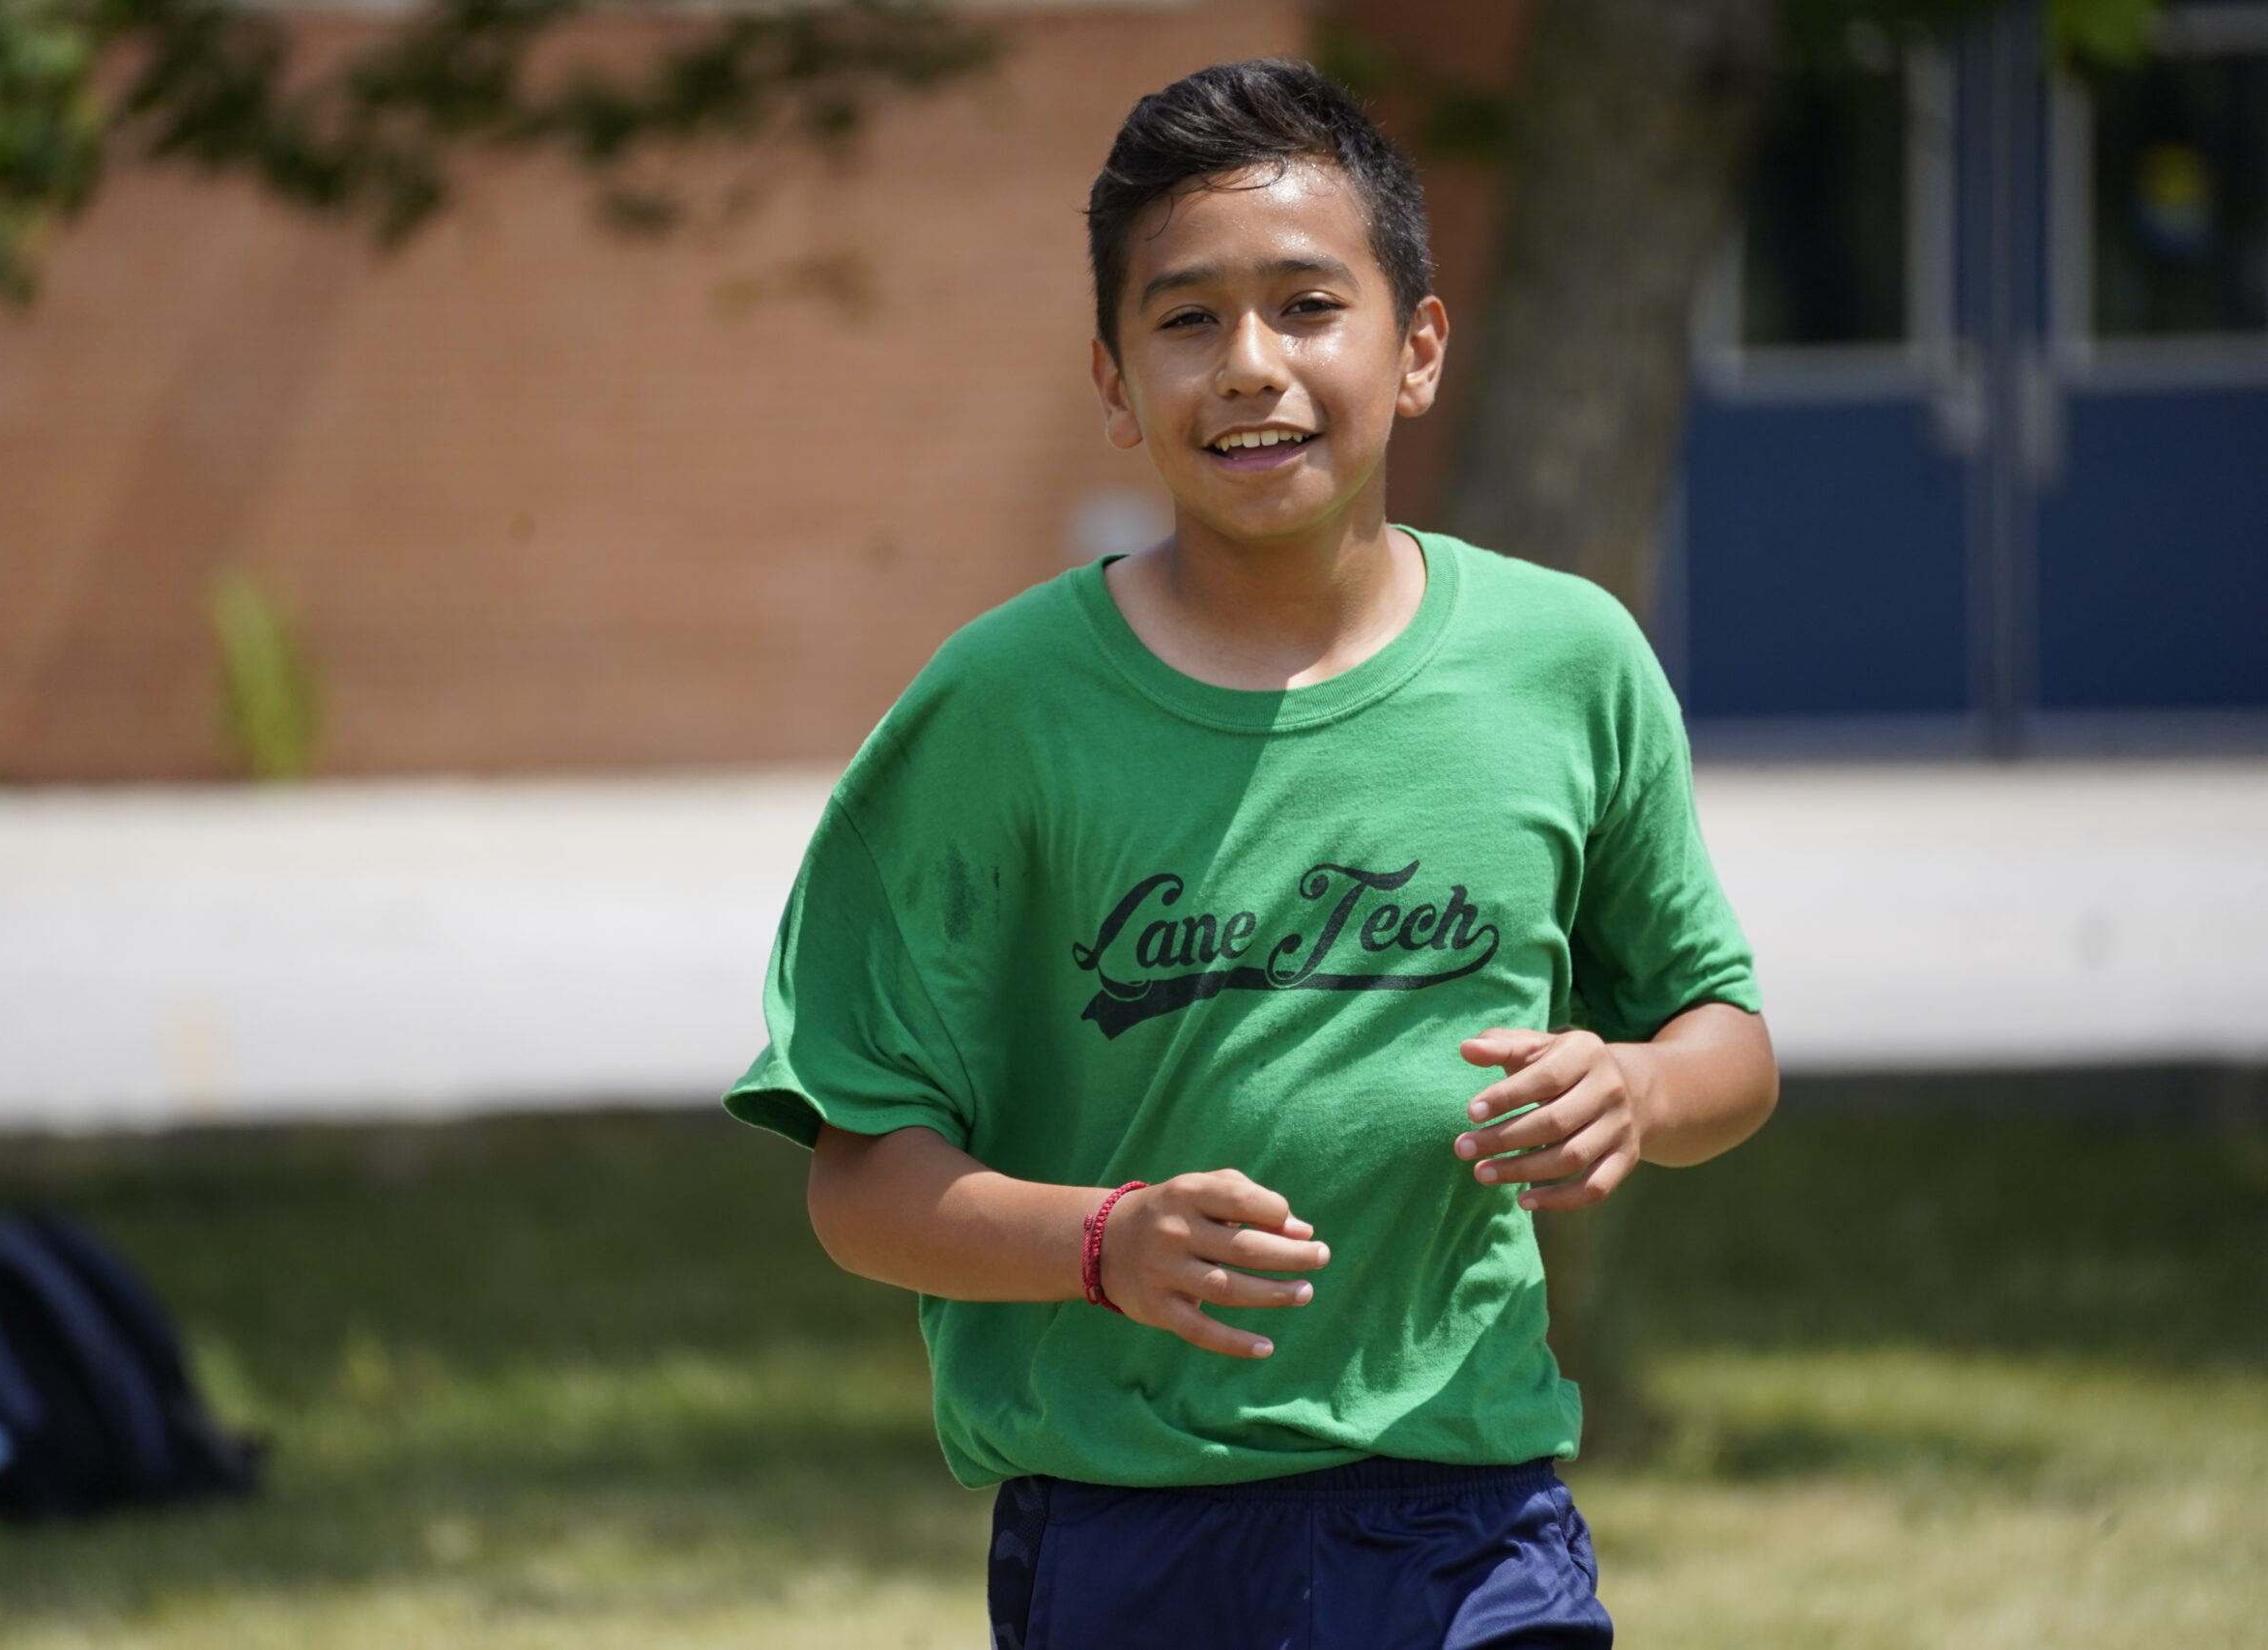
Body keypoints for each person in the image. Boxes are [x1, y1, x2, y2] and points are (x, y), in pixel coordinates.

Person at [722, 57, 1777, 1649]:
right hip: (1129, 1530)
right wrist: (1099, 1241)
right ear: (1111, 376)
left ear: (1417, 348)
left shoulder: (1569, 663)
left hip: (1470, 1510)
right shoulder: (999, 710)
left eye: (1306, 305)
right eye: (1188, 318)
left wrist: (1640, 1089)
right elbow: (860, 1184)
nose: (1249, 366)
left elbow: (1731, 1046)